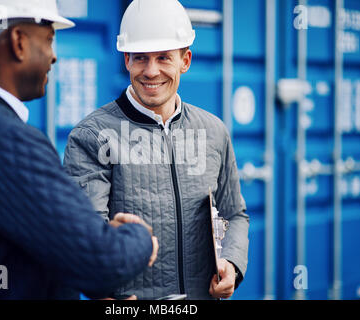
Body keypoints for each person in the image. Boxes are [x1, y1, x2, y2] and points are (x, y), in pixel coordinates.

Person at [0, 0, 158, 300]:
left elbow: (27, 244)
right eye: (49, 39)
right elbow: (102, 261)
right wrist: (140, 238)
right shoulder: (6, 143)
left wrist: (91, 236)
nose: (54, 56)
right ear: (19, 42)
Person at [64, 0, 249, 300]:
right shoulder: (92, 136)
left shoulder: (214, 132)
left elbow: (234, 214)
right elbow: (82, 238)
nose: (151, 71)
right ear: (126, 60)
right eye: (140, 58)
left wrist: (232, 262)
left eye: (164, 58)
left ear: (185, 61)